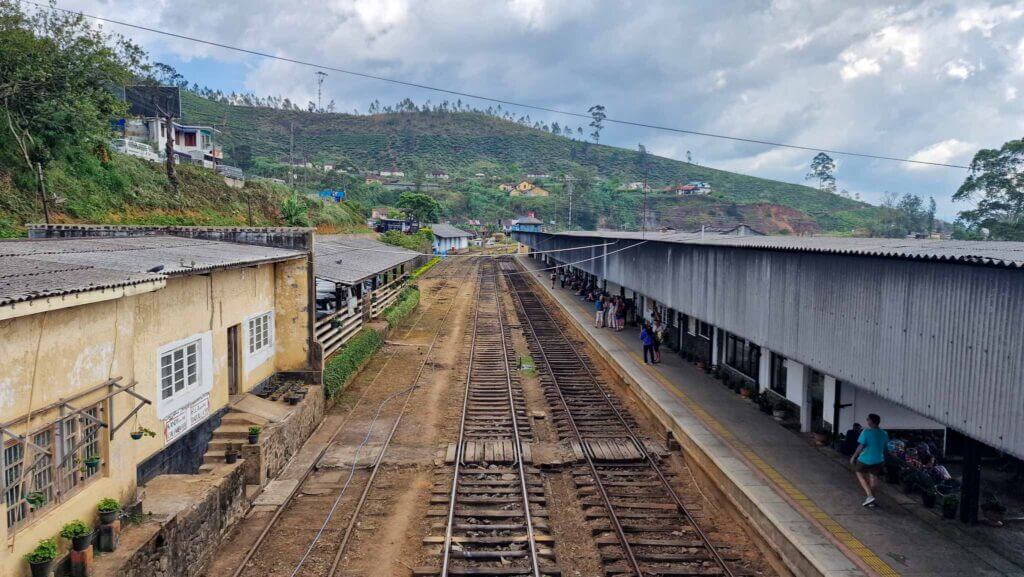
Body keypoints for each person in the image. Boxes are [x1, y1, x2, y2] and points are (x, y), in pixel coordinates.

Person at [850, 413, 888, 507]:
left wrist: (854, 456)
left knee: (859, 473)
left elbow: (860, 446)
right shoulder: (884, 433)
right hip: (879, 460)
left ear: (871, 421)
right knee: (873, 478)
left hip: (865, 459)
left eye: (868, 419)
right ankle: (871, 501)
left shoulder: (866, 432)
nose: (867, 420)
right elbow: (885, 449)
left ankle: (869, 495)